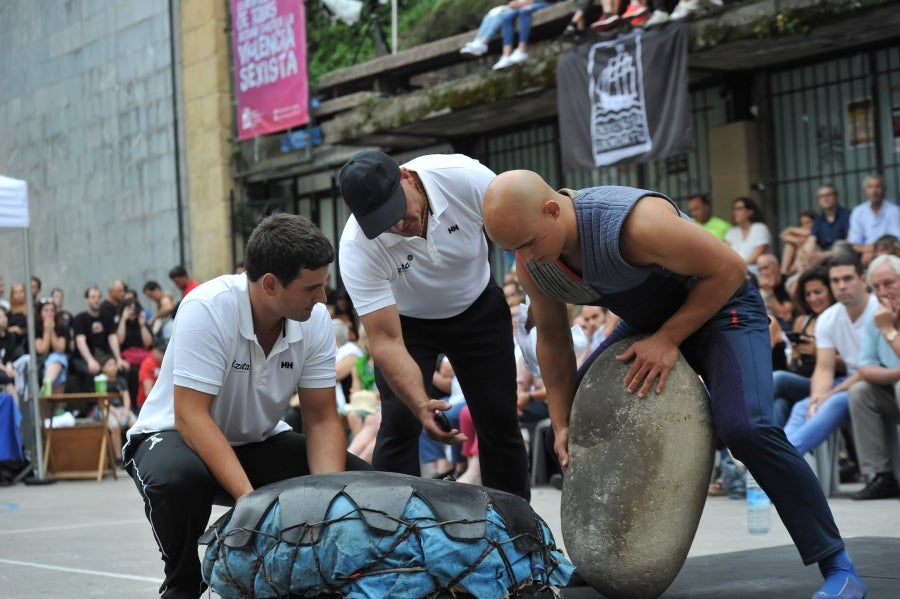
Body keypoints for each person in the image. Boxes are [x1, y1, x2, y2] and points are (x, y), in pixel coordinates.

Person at [482, 170, 867, 599]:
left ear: (553, 210)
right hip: (647, 321)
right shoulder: (532, 256)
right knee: (576, 420)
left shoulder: (633, 223)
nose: (524, 258)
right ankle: (605, 558)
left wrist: (668, 339)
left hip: (723, 309)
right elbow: (553, 337)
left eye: (528, 243)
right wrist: (561, 422)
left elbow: (730, 269)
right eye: (513, 249)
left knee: (748, 429)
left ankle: (837, 563)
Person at [123, 213, 370, 598]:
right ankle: (183, 584)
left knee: (359, 486)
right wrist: (250, 502)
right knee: (179, 480)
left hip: (257, 441)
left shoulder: (314, 319)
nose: (323, 298)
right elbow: (191, 416)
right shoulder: (208, 307)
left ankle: (323, 580)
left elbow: (321, 419)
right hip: (175, 436)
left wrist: (324, 506)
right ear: (270, 284)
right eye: (312, 288)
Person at [337, 150, 529, 500]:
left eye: (398, 211)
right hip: (408, 325)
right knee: (398, 423)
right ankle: (392, 529)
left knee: (498, 420)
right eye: (383, 222)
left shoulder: (465, 177)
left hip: (477, 306)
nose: (398, 226)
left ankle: (518, 531)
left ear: (406, 177)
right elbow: (384, 341)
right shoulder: (356, 247)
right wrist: (420, 403)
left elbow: (524, 239)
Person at [781, 254, 876, 457]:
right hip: (845, 383)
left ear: (863, 279)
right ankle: (777, 459)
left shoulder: (877, 310)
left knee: (832, 401)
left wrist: (826, 396)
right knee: (802, 406)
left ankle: (784, 460)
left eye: (847, 278)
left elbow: (868, 370)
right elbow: (824, 369)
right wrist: (816, 399)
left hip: (873, 383)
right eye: (835, 280)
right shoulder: (828, 318)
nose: (841, 286)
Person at [848, 254, 900, 499]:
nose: (882, 292)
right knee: (860, 392)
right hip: (893, 391)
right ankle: (881, 475)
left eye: (889, 283)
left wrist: (888, 329)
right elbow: (865, 366)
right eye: (877, 287)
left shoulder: (882, 322)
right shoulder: (876, 318)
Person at [771, 266, 838, 425]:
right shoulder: (803, 321)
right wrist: (794, 356)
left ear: (830, 291)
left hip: (829, 381)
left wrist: (817, 352)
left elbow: (850, 362)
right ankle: (777, 449)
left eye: (818, 292)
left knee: (778, 378)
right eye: (808, 294)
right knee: (780, 404)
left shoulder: (838, 317)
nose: (813, 298)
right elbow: (794, 366)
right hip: (801, 380)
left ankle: (739, 412)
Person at [847, 174, 900, 267]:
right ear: (866, 191)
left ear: (884, 190)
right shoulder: (858, 212)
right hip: (864, 253)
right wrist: (868, 251)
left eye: (878, 187)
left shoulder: (894, 210)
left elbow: (895, 239)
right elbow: (854, 242)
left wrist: (876, 251)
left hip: (889, 252)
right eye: (870, 187)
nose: (874, 191)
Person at [800, 184, 852, 270]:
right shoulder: (818, 220)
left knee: (839, 244)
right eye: (821, 196)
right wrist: (807, 255)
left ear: (836, 197)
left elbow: (849, 244)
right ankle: (806, 275)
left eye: (828, 195)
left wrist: (825, 255)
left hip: (842, 255)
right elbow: (811, 241)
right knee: (805, 250)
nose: (825, 199)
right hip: (823, 256)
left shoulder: (847, 215)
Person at [492, 0, 555, 71]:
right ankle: (506, 55)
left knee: (524, 11)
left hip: (545, 2)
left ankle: (522, 50)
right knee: (507, 17)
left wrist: (523, 3)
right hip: (525, 5)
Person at [725, 196, 771, 277]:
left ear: (750, 211)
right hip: (734, 271)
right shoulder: (732, 232)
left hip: (754, 270)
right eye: (734, 209)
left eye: (739, 209)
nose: (735, 212)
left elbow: (759, 253)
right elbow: (726, 254)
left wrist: (740, 267)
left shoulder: (760, 228)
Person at [780, 210, 816, 276]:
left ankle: (792, 270)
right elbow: (782, 235)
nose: (805, 226)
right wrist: (795, 240)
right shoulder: (800, 232)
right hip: (797, 259)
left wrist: (791, 229)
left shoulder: (817, 230)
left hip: (811, 258)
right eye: (802, 224)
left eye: (808, 223)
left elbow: (809, 233)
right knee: (789, 244)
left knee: (803, 243)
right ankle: (783, 271)